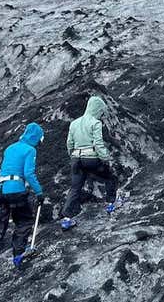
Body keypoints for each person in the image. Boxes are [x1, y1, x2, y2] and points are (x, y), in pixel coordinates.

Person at [0, 122, 45, 276]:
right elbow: (28, 174)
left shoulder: (10, 148)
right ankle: (18, 257)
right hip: (16, 190)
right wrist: (39, 192)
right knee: (24, 221)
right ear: (36, 138)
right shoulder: (30, 150)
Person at [59, 96, 120, 230]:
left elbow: (69, 143)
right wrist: (106, 158)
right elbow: (98, 143)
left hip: (76, 159)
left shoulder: (74, 123)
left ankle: (66, 219)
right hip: (91, 158)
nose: (101, 115)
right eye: (101, 111)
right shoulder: (95, 123)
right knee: (110, 177)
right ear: (97, 109)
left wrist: (73, 156)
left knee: (75, 188)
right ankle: (111, 204)